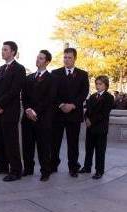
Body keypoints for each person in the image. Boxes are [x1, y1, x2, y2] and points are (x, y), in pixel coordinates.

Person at [0, 41, 26, 182]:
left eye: (5, 49)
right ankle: (2, 166)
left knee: (11, 142)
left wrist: (0, 104)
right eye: (2, 49)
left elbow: (15, 90)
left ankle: (16, 171)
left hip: (9, 111)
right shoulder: (0, 69)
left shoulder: (19, 69)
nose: (2, 51)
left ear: (13, 52)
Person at [50, 48, 89, 177]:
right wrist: (61, 105)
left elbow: (84, 93)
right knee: (55, 142)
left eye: (69, 57)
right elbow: (52, 93)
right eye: (65, 57)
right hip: (58, 114)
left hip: (74, 114)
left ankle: (73, 167)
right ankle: (53, 165)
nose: (66, 60)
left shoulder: (83, 74)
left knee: (73, 143)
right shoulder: (55, 73)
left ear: (75, 58)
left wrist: (72, 105)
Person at [21, 50, 55, 182]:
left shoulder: (52, 79)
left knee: (43, 147)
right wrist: (28, 109)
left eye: (41, 58)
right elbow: (24, 96)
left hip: (43, 119)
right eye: (37, 58)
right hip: (27, 118)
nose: (38, 60)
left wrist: (35, 112)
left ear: (47, 62)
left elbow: (50, 98)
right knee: (27, 145)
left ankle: (45, 171)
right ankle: (28, 169)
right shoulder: (29, 78)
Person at [79, 75, 114, 179]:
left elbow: (104, 113)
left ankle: (99, 171)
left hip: (100, 128)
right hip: (90, 128)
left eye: (100, 84)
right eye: (97, 84)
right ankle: (87, 167)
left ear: (106, 85)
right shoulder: (93, 96)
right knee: (88, 149)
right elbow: (87, 109)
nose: (98, 86)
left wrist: (92, 121)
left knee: (100, 151)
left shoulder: (109, 97)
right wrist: (86, 118)